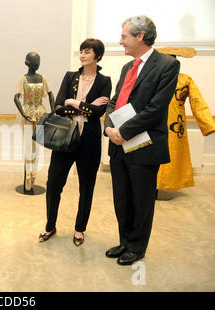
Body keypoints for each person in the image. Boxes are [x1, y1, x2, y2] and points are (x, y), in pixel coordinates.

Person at [104, 16, 180, 265]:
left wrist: (123, 131)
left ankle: (137, 247)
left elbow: (156, 108)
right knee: (122, 197)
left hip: (143, 144)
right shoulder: (128, 67)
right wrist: (108, 129)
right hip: (117, 143)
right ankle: (125, 241)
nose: (120, 41)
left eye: (124, 36)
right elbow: (115, 101)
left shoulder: (167, 65)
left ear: (140, 36)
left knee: (141, 200)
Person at [39, 39, 112, 246]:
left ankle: (80, 229)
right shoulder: (70, 76)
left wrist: (75, 102)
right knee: (53, 183)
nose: (82, 55)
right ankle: (50, 225)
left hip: (89, 141)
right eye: (81, 51)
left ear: (97, 56)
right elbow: (59, 107)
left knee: (86, 187)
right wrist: (83, 106)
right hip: (65, 137)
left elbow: (100, 111)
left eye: (87, 52)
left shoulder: (104, 80)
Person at [155, 47, 215, 194]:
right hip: (153, 122)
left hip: (175, 125)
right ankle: (149, 186)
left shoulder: (184, 79)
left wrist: (208, 124)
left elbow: (197, 101)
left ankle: (166, 186)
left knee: (172, 155)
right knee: (152, 154)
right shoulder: (153, 78)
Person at [14, 52, 54, 192]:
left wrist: (52, 112)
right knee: (27, 145)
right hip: (27, 116)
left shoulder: (42, 78)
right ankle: (28, 178)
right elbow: (16, 98)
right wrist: (23, 113)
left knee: (37, 146)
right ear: (28, 62)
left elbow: (50, 94)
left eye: (39, 60)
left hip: (41, 115)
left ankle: (33, 175)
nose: (38, 63)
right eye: (35, 60)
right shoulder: (22, 79)